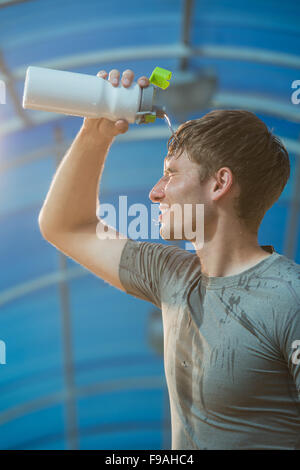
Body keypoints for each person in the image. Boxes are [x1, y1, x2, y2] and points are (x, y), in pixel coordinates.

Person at [39, 68, 300, 450]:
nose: (154, 193)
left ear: (219, 183)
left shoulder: (289, 298)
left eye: (170, 174)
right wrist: (95, 133)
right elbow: (65, 225)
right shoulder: (172, 275)